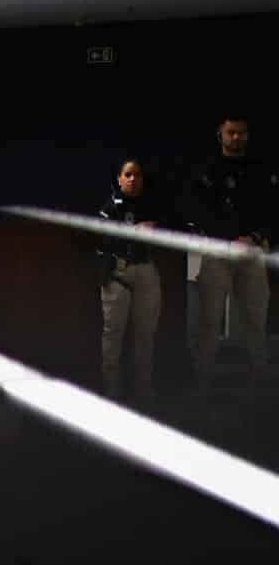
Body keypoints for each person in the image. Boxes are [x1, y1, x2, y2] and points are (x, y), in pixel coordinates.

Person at [185, 113, 275, 387]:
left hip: (252, 252)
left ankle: (261, 378)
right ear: (221, 135)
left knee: (256, 319)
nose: (236, 137)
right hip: (218, 251)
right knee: (210, 319)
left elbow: (272, 209)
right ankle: (203, 381)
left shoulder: (260, 170)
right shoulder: (208, 170)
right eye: (231, 132)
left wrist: (256, 237)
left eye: (241, 132)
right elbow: (198, 211)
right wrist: (227, 238)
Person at [96, 158, 166, 401]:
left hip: (146, 271)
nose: (133, 179)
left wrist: (156, 229)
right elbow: (102, 239)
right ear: (119, 179)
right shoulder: (110, 208)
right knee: (113, 334)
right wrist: (135, 231)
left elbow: (173, 231)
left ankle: (142, 388)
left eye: (137, 175)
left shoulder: (153, 206)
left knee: (145, 335)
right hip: (119, 273)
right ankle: (112, 390)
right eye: (128, 174)